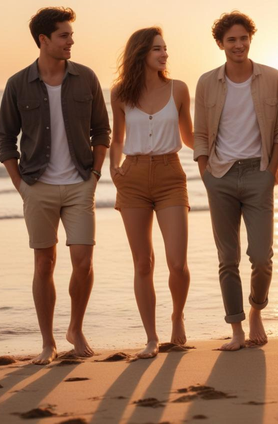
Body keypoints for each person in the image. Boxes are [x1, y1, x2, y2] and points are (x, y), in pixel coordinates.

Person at [0, 7, 110, 364]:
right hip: (37, 185)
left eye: (71, 35)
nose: (71, 41)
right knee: (44, 264)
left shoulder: (86, 78)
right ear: (43, 40)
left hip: (79, 183)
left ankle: (75, 328)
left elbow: (101, 130)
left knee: (83, 262)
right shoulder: (18, 84)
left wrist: (94, 175)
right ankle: (48, 343)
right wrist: (21, 186)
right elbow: (5, 138)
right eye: (64, 35)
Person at [194, 11, 278, 351]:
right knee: (228, 257)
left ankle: (256, 310)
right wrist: (206, 172)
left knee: (261, 256)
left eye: (243, 38)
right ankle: (235, 329)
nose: (238, 45)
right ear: (221, 44)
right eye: (231, 39)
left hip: (258, 173)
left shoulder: (273, 78)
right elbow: (201, 134)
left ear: (251, 39)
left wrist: (271, 170)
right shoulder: (207, 82)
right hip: (219, 174)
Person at [110, 27, 193, 359]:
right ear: (140, 52)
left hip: (171, 175)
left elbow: (189, 136)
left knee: (177, 263)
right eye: (157, 48)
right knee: (143, 263)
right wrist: (114, 170)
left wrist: (218, 152)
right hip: (132, 177)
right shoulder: (120, 94)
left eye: (165, 48)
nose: (164, 53)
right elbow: (117, 138)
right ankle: (151, 337)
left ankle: (177, 316)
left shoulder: (179, 90)